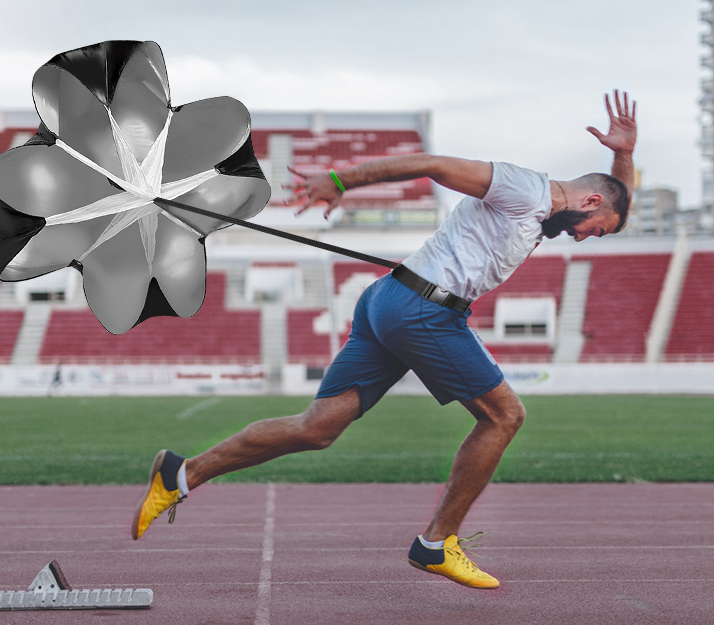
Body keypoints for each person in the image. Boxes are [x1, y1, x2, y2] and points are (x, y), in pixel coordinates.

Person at [131, 91, 638, 589]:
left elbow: (617, 194)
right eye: (596, 229)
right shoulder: (526, 189)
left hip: (392, 301)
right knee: (505, 416)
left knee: (317, 428)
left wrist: (625, 155)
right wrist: (339, 180)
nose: (583, 237)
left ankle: (181, 473)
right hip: (423, 310)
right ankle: (438, 542)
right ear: (589, 201)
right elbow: (434, 163)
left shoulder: (548, 212)